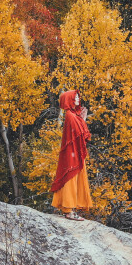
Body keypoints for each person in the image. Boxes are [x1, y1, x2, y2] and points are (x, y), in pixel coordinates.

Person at [51, 89, 92, 220]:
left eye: (78, 98)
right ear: (69, 100)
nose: (78, 100)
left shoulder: (73, 115)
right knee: (70, 178)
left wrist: (82, 119)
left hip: (74, 153)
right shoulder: (70, 115)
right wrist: (83, 120)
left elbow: (82, 134)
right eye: (75, 98)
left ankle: (70, 208)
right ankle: (68, 210)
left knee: (74, 177)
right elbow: (82, 133)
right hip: (72, 154)